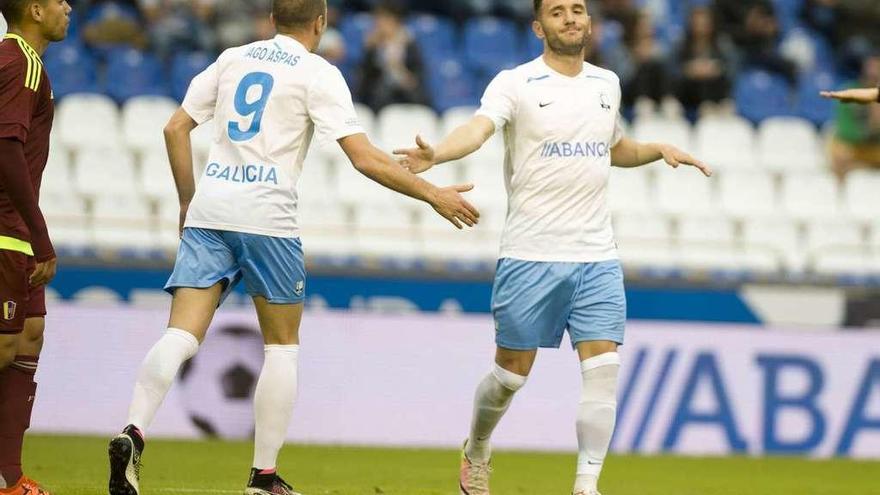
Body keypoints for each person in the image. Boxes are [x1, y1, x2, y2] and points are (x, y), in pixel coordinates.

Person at [106, 0, 479, 494]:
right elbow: (364, 158)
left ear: (271, 20)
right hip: (267, 218)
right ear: (320, 23)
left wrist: (187, 203)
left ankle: (133, 430)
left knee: (181, 334)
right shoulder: (317, 73)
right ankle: (262, 478)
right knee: (281, 348)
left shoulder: (232, 58)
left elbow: (175, 127)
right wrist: (434, 194)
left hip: (210, 212)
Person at [394, 0, 711, 494]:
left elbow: (615, 148)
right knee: (509, 378)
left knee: (603, 371)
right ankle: (477, 448)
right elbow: (477, 131)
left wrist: (656, 149)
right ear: (539, 26)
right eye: (558, 11)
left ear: (589, 22)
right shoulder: (515, 82)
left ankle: (586, 486)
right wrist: (439, 153)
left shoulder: (607, 83)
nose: (570, 18)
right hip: (531, 254)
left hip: (596, 255)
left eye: (578, 9)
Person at [0, 2, 71, 495]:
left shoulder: (27, 62)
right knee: (5, 343)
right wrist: (38, 234)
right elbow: (5, 146)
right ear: (36, 9)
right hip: (6, 228)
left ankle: (9, 476)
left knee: (28, 337)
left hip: (16, 230)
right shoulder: (18, 59)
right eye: (60, 0)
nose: (69, 7)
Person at [355, 0, 429, 112]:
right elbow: (364, 83)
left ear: (396, 22)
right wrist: (370, 52)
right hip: (378, 101)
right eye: (378, 21)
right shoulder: (373, 48)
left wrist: (396, 66)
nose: (380, 25)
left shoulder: (410, 46)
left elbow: (417, 81)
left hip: (407, 98)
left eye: (385, 20)